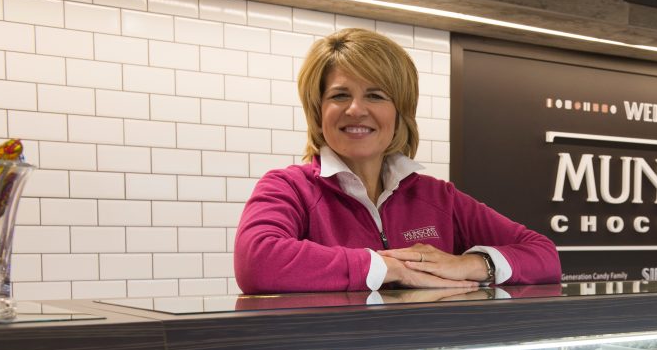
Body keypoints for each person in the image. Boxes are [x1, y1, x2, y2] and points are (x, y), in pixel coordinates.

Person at [234, 28, 561, 294]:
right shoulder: (290, 187)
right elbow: (257, 262)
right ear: (318, 111)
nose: (355, 110)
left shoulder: (438, 198)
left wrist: (475, 264)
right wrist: (388, 268)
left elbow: (544, 255)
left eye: (375, 95)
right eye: (339, 95)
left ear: (400, 112)